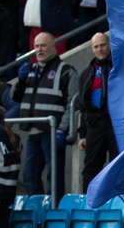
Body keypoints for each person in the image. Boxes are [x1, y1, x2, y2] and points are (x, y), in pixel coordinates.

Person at [13, 32, 78, 199]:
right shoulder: (28, 70)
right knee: (29, 175)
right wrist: (20, 82)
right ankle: (40, 212)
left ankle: (53, 214)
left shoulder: (66, 71)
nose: (39, 50)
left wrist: (62, 129)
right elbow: (14, 96)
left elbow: (73, 103)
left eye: (43, 46)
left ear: (52, 47)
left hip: (52, 132)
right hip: (33, 133)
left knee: (54, 177)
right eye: (36, 46)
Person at [76, 32, 116, 193]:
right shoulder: (86, 74)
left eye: (103, 45)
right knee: (91, 168)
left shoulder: (118, 67)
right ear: (92, 49)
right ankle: (89, 204)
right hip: (94, 125)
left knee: (117, 165)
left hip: (115, 124)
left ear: (109, 45)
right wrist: (82, 134)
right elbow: (83, 106)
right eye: (96, 46)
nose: (100, 49)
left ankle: (119, 203)